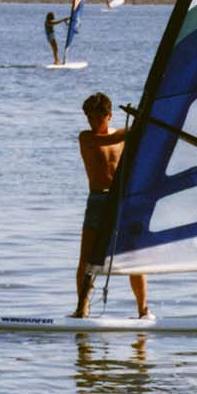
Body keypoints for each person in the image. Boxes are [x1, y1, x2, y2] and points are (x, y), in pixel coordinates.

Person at [73, 92, 148, 319]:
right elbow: (109, 140)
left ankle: (143, 310)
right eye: (89, 118)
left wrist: (143, 126)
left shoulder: (123, 136)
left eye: (98, 118)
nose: (93, 123)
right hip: (97, 200)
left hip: (123, 200)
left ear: (109, 116)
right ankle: (82, 308)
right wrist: (139, 125)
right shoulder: (86, 138)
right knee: (87, 258)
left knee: (134, 257)